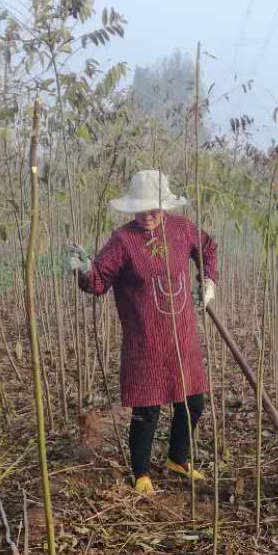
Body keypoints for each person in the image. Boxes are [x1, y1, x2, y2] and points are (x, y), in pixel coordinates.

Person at [68, 169, 217, 496]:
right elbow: (99, 282)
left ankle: (179, 459)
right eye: (142, 208)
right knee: (147, 409)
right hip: (145, 339)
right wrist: (85, 269)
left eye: (155, 208)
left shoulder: (181, 229)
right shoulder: (123, 241)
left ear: (165, 207)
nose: (148, 215)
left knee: (192, 403)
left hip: (183, 335)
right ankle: (141, 473)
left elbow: (207, 246)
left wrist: (207, 281)